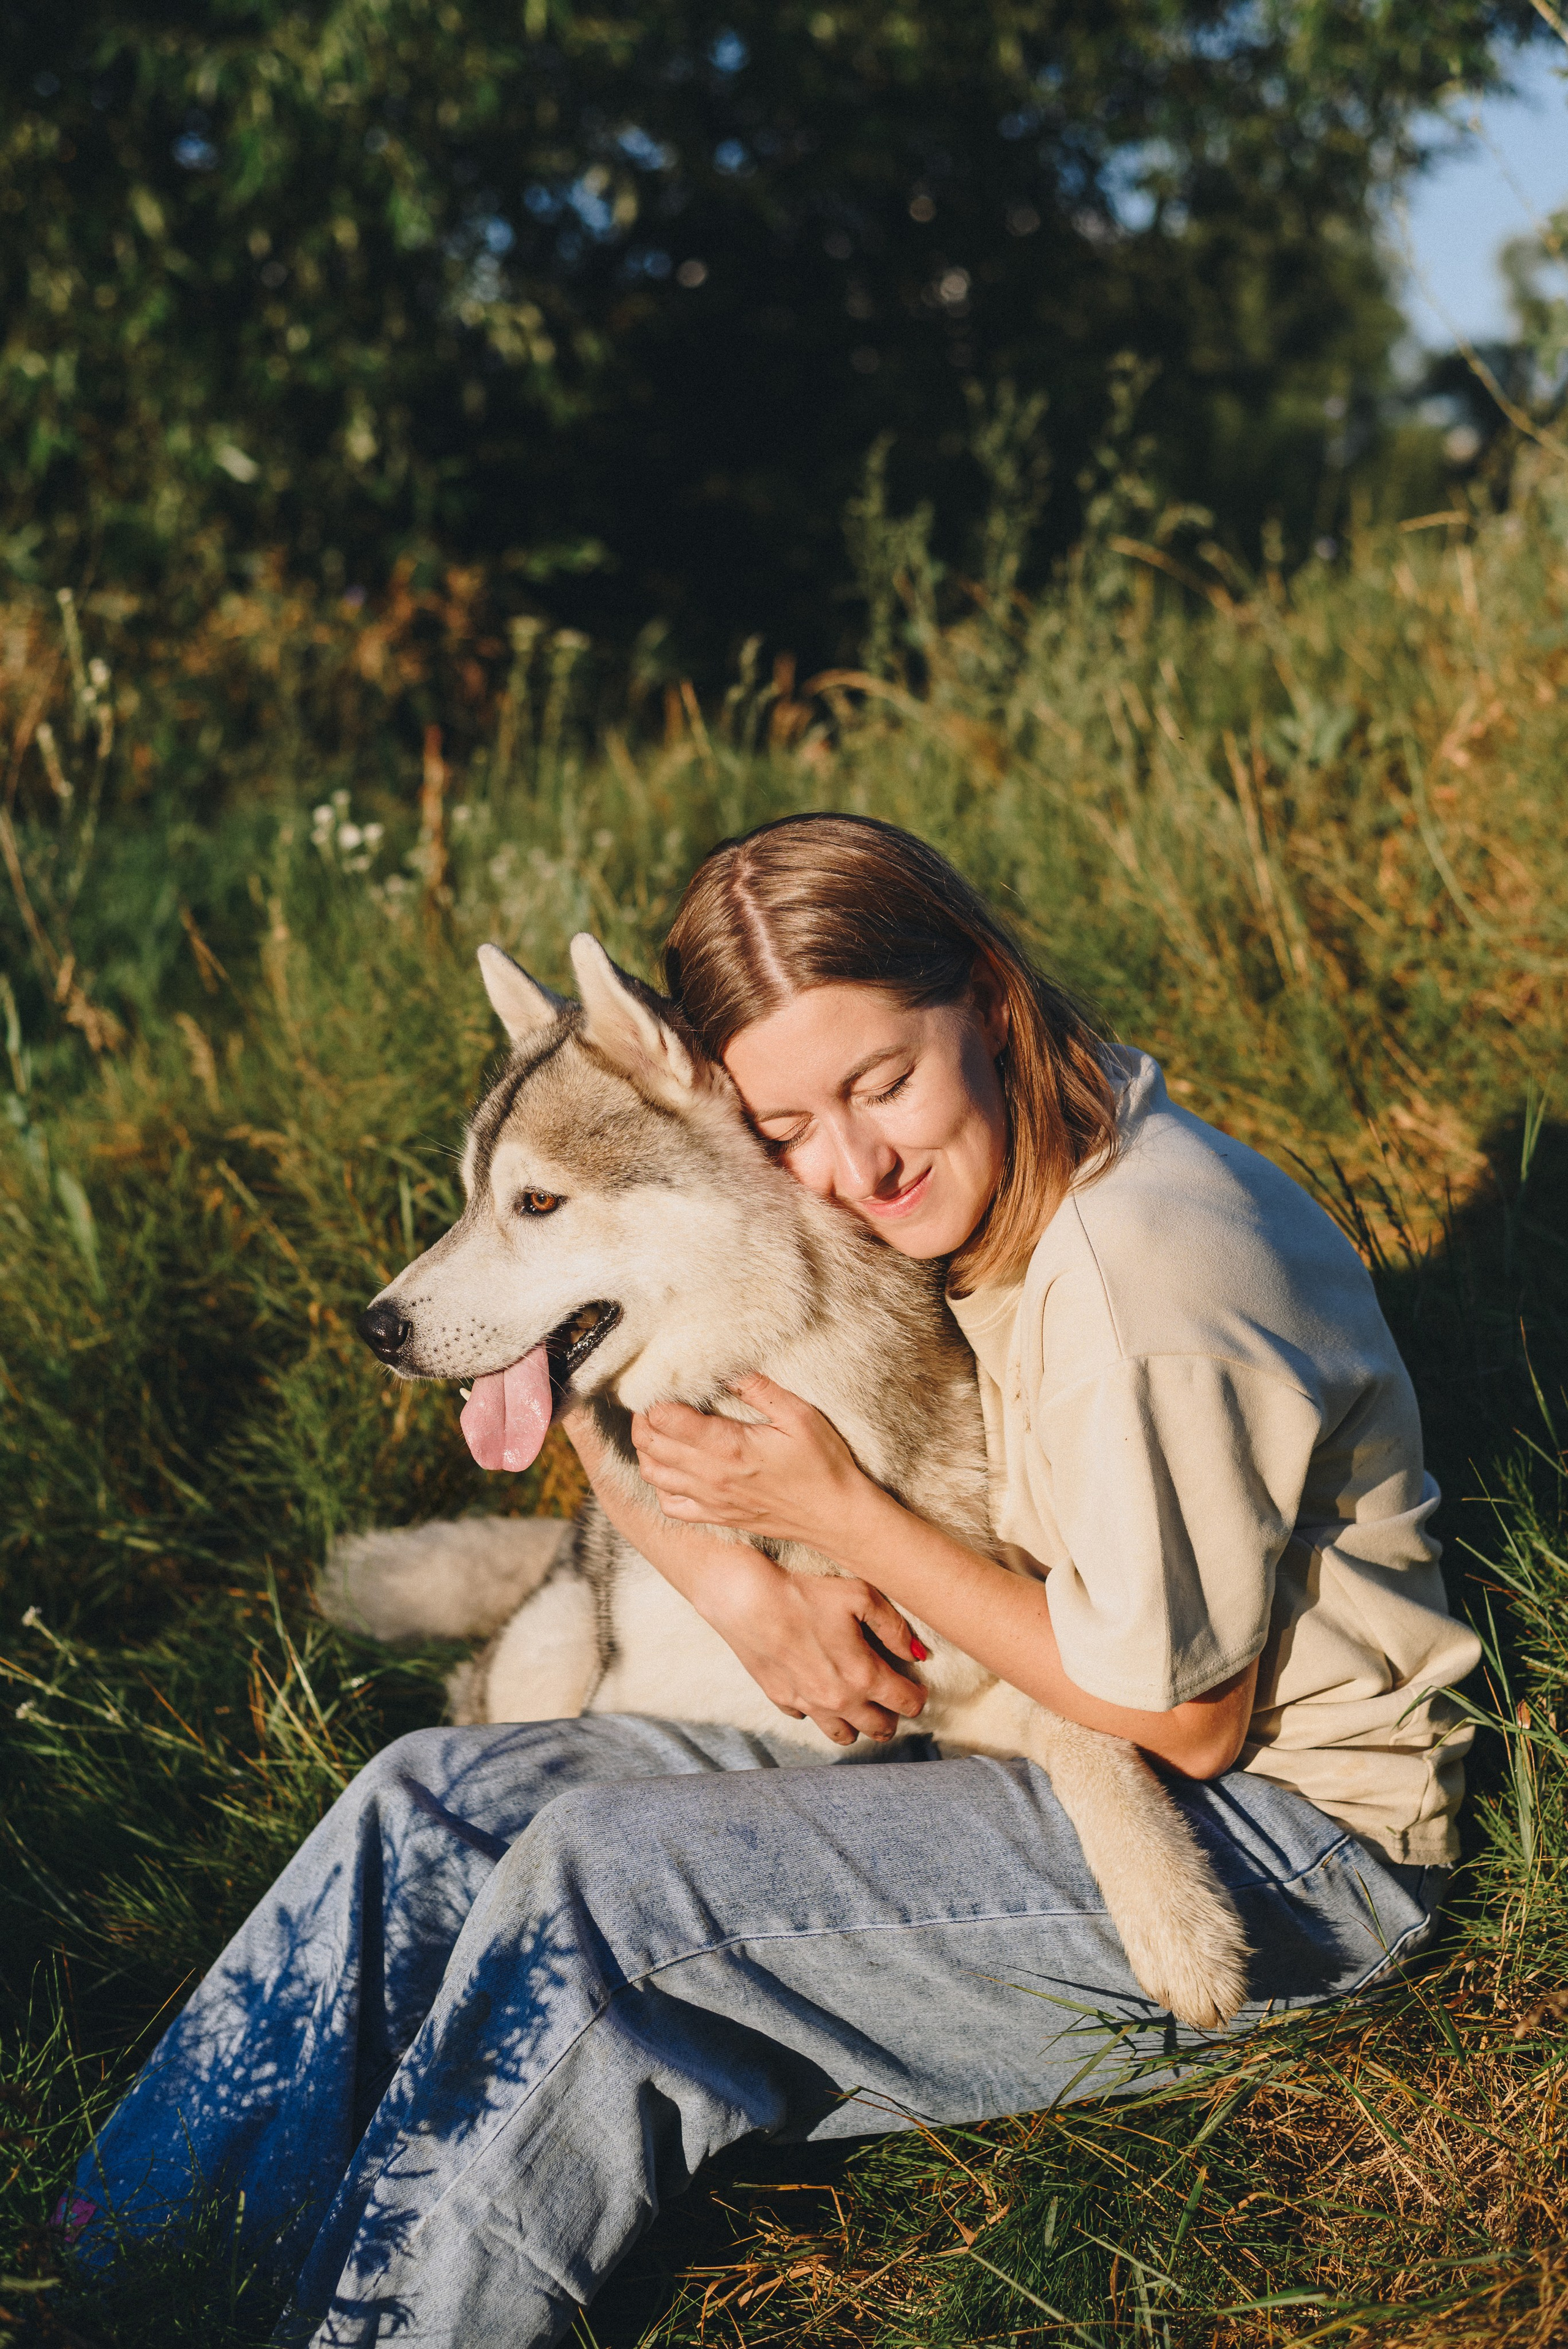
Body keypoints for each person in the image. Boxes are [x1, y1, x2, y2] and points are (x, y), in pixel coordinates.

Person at [65, 813, 1480, 2345]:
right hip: (1057, 1742)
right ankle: (97, 2279)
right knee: (434, 1799)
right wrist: (745, 1583)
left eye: (882, 1086)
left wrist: (847, 1525)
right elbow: (651, 1384)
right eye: (794, 1120)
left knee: (606, 1886)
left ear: (987, 1000)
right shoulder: (951, 1176)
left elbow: (1182, 1721)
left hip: (1291, 1850)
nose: (849, 1163)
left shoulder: (1142, 1286)